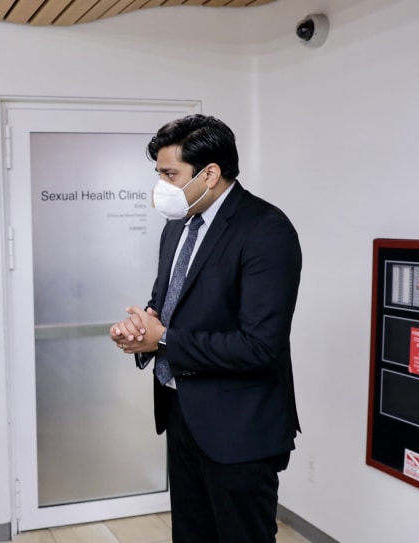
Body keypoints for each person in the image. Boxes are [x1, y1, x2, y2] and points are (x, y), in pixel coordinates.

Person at [110, 114, 302, 543]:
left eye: (169, 174)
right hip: (183, 415)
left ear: (210, 173)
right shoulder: (177, 226)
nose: (160, 185)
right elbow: (166, 303)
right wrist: (141, 328)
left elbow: (260, 346)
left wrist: (164, 339)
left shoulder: (266, 230)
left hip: (240, 429)